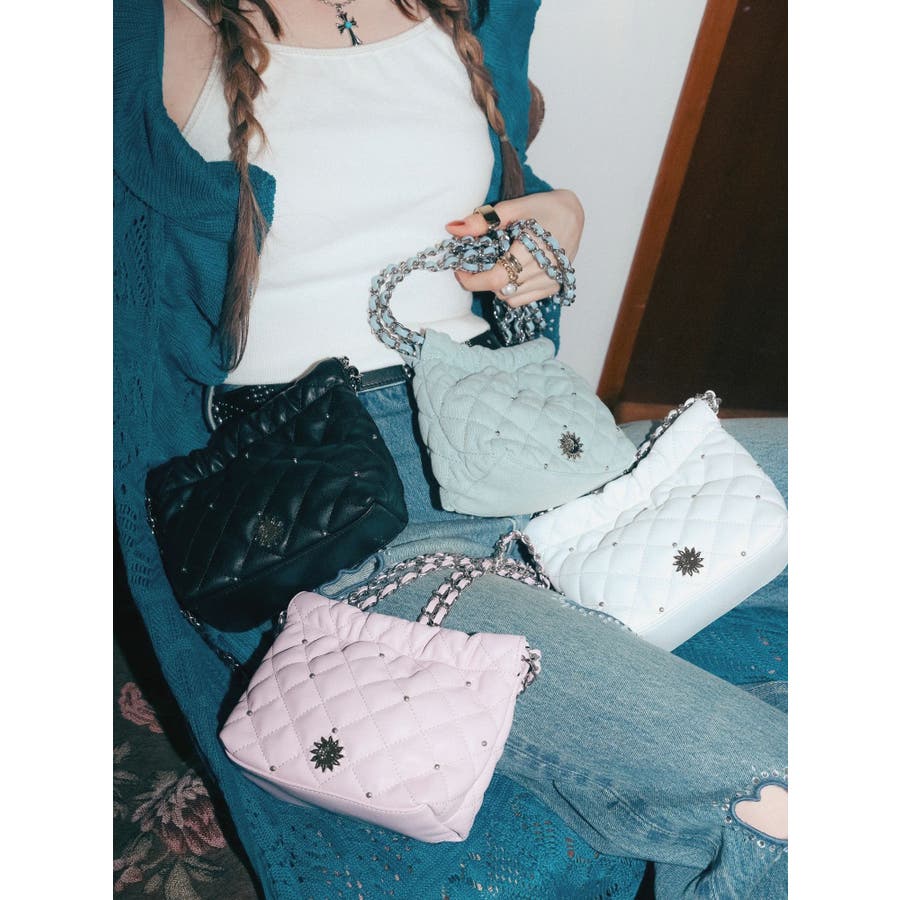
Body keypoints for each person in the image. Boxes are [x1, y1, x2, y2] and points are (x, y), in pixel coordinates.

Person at [113, 1, 788, 896]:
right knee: (779, 791)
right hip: (327, 514)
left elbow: (476, 209)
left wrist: (555, 222)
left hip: (516, 436)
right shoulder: (145, 32)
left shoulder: (470, 12)